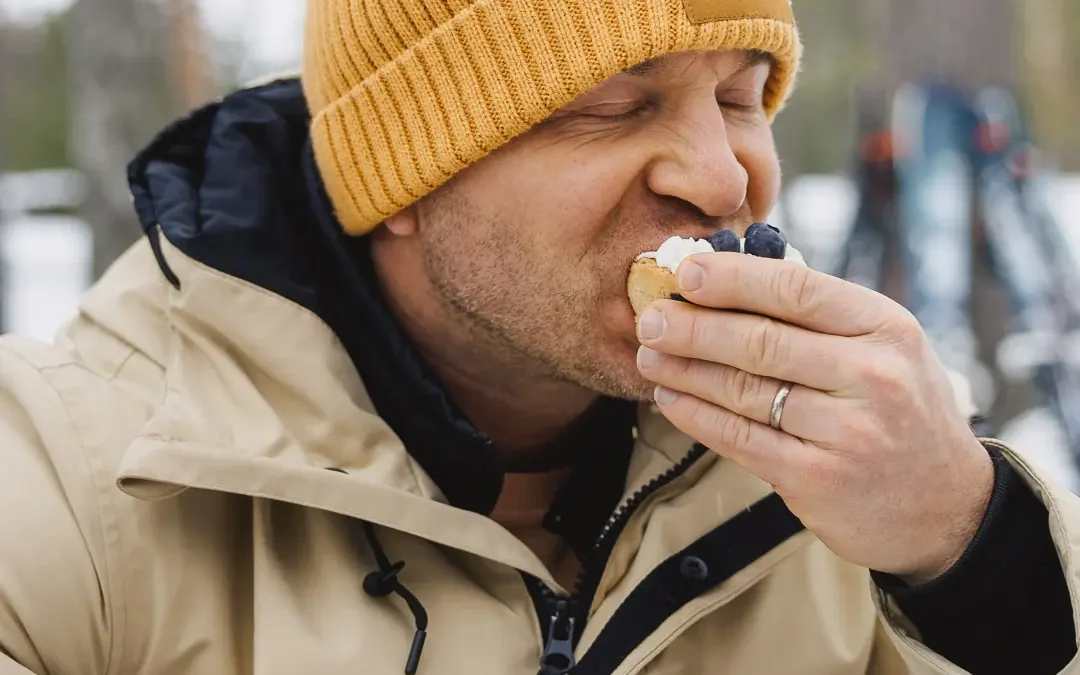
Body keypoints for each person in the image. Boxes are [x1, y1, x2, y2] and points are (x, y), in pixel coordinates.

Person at [1, 1, 1077, 673]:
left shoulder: (851, 490)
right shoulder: (68, 480)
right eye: (613, 106)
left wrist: (972, 550)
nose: (721, 178)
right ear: (404, 177)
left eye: (744, 99)